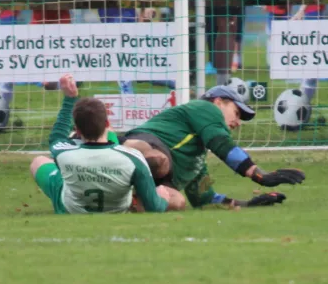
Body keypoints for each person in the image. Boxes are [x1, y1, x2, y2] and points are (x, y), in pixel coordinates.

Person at [121, 85, 305, 209]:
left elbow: (205, 200)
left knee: (178, 201)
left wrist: (248, 204)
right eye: (236, 112)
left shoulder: (197, 160)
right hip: (134, 147)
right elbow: (223, 145)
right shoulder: (205, 108)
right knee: (159, 162)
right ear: (218, 102)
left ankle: (122, 201)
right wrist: (259, 175)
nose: (238, 122)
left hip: (138, 172)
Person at [30, 73, 175, 214]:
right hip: (119, 209)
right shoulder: (133, 158)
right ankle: (132, 204)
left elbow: (57, 137)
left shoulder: (64, 154)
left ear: (78, 131)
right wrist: (163, 199)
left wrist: (70, 99)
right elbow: (154, 207)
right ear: (106, 122)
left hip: (70, 209)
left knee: (39, 162)